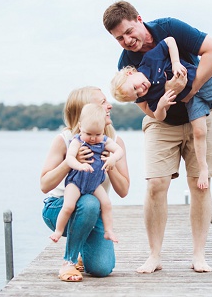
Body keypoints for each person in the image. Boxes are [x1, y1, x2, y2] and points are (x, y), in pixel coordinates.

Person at [102, 0, 212, 274]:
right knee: (156, 184)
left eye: (128, 32)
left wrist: (188, 90)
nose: (126, 40)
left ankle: (199, 255)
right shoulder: (126, 64)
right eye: (119, 38)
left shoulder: (169, 28)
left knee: (199, 184)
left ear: (139, 19)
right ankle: (154, 256)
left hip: (201, 114)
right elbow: (147, 109)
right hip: (163, 122)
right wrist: (161, 107)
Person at [111, 35, 212, 190]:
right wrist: (161, 106)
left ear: (131, 73)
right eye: (137, 95)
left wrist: (175, 62)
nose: (141, 90)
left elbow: (169, 41)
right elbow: (159, 116)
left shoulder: (149, 60)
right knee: (199, 131)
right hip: (191, 99)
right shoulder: (152, 96)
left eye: (135, 87)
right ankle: (203, 169)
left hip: (201, 80)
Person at [40, 86, 130, 282]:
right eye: (103, 103)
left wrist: (109, 162)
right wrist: (70, 161)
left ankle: (83, 248)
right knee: (89, 202)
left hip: (92, 210)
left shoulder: (113, 142)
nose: (110, 106)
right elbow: (44, 185)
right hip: (59, 207)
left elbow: (123, 191)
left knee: (102, 268)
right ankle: (68, 262)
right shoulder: (65, 140)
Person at [49, 103, 123, 244]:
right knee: (68, 206)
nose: (93, 138)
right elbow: (70, 158)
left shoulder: (104, 141)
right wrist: (80, 165)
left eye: (98, 134)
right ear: (80, 126)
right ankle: (58, 231)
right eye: (89, 134)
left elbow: (119, 151)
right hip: (76, 182)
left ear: (103, 130)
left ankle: (109, 231)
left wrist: (113, 159)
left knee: (106, 204)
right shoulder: (77, 141)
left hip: (93, 184)